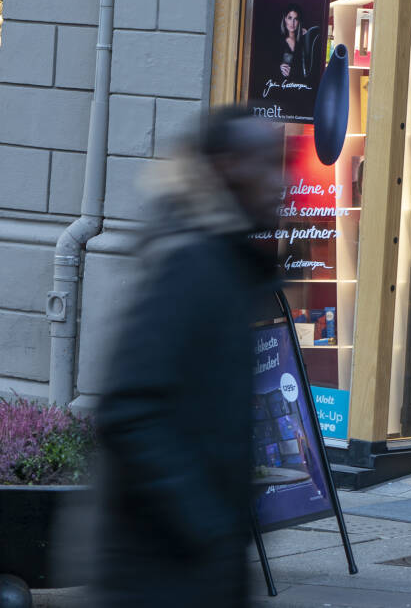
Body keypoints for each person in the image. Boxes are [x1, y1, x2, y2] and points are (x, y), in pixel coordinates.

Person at [90, 107, 283, 608]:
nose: (280, 181)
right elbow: (128, 409)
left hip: (196, 567)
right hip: (162, 573)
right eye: (266, 164)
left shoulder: (224, 262)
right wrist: (204, 524)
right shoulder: (190, 264)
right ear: (227, 166)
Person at [272, 4, 320, 85]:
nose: (292, 23)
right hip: (280, 85)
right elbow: (269, 62)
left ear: (299, 21)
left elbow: (310, 65)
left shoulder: (304, 39)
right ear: (285, 19)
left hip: (300, 86)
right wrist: (279, 67)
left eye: (296, 19)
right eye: (290, 18)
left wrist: (306, 38)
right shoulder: (278, 41)